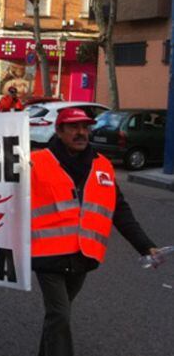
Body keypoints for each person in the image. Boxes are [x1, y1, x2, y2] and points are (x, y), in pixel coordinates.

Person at [30, 107, 160, 356]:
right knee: (60, 315)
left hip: (83, 255)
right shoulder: (36, 161)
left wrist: (145, 245)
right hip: (47, 255)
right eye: (74, 127)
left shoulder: (103, 166)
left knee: (59, 317)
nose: (81, 133)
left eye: (85, 127)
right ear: (59, 130)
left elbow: (119, 210)